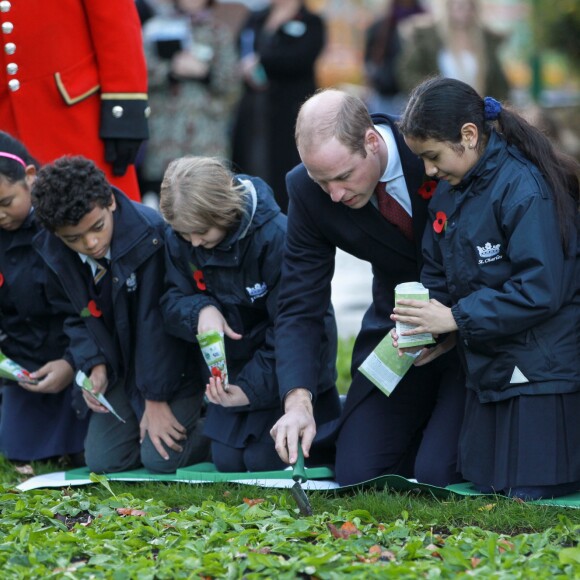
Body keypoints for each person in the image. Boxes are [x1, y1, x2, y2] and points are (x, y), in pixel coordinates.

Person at [394, 77, 580, 500]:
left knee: (521, 492)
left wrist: (457, 317)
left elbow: (540, 290)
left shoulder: (523, 188)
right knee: (466, 480)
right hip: (486, 362)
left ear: (469, 136)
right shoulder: (448, 190)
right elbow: (436, 270)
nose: (428, 170)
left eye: (433, 156)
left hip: (543, 367)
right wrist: (430, 326)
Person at [270, 88, 466, 487]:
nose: (335, 195)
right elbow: (299, 303)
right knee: (357, 471)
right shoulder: (308, 193)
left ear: (372, 141)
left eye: (343, 177)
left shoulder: (433, 147)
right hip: (398, 335)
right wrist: (298, 400)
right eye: (321, 181)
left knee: (437, 472)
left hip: (473, 327)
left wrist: (459, 322)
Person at [159, 156, 340, 471]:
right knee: (228, 463)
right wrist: (200, 310)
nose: (195, 242)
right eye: (185, 235)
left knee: (262, 461)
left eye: (201, 232)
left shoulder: (276, 238)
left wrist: (249, 390)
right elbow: (170, 300)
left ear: (225, 211)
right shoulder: (184, 238)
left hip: (282, 373)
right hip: (233, 373)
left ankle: (334, 415)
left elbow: (296, 327)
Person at [31, 156, 209, 474]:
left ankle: (216, 426)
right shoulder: (51, 249)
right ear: (56, 233)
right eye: (74, 239)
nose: (91, 243)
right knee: (104, 461)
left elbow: (159, 325)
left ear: (110, 201)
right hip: (121, 369)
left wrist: (154, 400)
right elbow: (72, 315)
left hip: (173, 370)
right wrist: (92, 364)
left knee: (162, 459)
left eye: (97, 227)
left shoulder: (152, 234)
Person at [0, 0, 149, 202]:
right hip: (6, 119)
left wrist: (123, 103)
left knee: (104, 215)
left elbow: (115, 17)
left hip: (75, 114)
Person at [0, 133, 88, 464]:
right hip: (24, 366)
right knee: (18, 451)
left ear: (30, 178)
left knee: (88, 454)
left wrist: (70, 362)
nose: (1, 216)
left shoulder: (61, 227)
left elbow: (89, 309)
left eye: (6, 203)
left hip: (75, 358)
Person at [139, 0, 242, 200]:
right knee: (163, 199)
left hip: (205, 136)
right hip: (163, 136)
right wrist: (171, 71)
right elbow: (139, 72)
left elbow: (232, 83)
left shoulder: (218, 32)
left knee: (206, 197)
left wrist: (205, 73)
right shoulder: (156, 28)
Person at [231, 0, 326, 213]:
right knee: (251, 163)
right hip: (255, 107)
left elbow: (302, 57)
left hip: (290, 109)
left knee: (287, 169)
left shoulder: (311, 21)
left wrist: (262, 62)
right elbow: (239, 46)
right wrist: (246, 68)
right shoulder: (256, 18)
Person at [397, 0, 509, 101]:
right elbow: (407, 72)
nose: (465, 11)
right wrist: (429, 94)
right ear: (448, 5)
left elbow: (498, 83)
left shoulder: (486, 39)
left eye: (470, 6)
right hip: (439, 107)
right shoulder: (429, 36)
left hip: (478, 108)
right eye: (460, 5)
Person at [364, 0, 425, 115]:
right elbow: (369, 60)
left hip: (417, 93)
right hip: (386, 94)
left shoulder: (426, 24)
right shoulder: (382, 26)